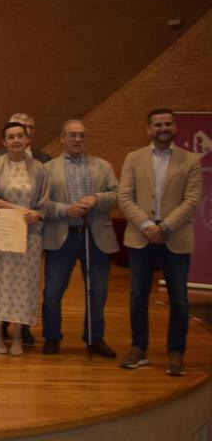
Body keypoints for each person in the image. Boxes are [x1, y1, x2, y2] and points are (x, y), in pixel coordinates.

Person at [118, 108, 202, 377]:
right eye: (157, 124)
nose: (163, 128)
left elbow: (191, 201)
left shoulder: (191, 160)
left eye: (168, 123)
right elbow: (125, 197)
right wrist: (146, 225)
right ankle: (138, 348)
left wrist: (164, 227)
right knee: (137, 297)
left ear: (175, 127)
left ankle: (175, 352)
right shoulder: (134, 158)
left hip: (174, 238)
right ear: (148, 129)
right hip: (141, 237)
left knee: (178, 300)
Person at [41, 120, 119, 358]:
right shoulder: (48, 168)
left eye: (81, 135)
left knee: (96, 292)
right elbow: (41, 203)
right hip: (61, 237)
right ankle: (52, 337)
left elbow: (117, 196)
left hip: (96, 236)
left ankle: (94, 338)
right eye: (72, 135)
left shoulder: (103, 166)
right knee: (53, 292)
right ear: (62, 137)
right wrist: (65, 209)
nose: (77, 140)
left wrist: (96, 198)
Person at [0, 122, 49, 356]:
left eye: (20, 136)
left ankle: (19, 335)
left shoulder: (39, 168)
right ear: (3, 142)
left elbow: (43, 203)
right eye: (11, 137)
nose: (16, 140)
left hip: (29, 236)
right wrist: (19, 209)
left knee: (24, 286)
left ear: (27, 139)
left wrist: (36, 213)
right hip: (1, 233)